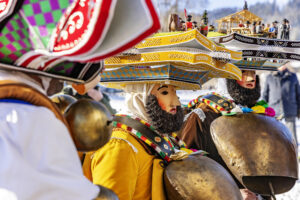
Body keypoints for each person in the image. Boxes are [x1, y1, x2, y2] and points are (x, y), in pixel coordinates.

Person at [83, 83, 187, 200]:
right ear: (140, 95)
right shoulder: (120, 146)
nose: (176, 103)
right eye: (164, 92)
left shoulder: (163, 137)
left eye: (175, 92)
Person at [180, 70, 270, 200]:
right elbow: (186, 172)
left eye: (253, 72)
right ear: (227, 75)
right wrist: (231, 193)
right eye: (243, 71)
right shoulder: (203, 116)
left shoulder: (259, 114)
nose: (251, 78)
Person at [262, 64, 300, 146]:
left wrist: (299, 110)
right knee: (274, 135)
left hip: (290, 109)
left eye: (284, 62)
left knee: (292, 136)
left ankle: (295, 155)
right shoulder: (270, 77)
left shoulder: (293, 76)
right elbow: (265, 95)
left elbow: (298, 94)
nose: (282, 64)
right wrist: (262, 109)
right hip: (274, 111)